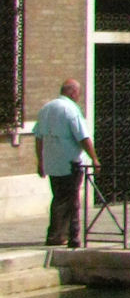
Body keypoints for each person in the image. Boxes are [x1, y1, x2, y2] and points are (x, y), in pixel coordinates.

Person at [34, 79, 99, 248]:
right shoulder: (70, 109)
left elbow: (38, 138)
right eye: (78, 93)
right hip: (70, 162)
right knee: (69, 199)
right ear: (72, 92)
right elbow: (83, 137)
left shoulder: (46, 109)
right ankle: (60, 235)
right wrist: (94, 158)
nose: (78, 96)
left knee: (59, 197)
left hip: (52, 162)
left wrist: (40, 161)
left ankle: (61, 233)